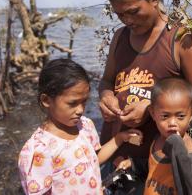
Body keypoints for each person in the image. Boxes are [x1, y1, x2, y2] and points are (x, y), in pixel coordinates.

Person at [99, 0, 192, 191]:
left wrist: (151, 107)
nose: (127, 20)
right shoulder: (120, 38)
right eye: (119, 14)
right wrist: (105, 96)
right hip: (112, 155)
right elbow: (107, 80)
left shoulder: (181, 40)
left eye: (133, 11)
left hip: (155, 166)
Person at [18, 59, 142, 195]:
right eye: (73, 103)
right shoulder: (40, 150)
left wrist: (120, 138)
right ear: (46, 100)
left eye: (84, 102)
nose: (80, 110)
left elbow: (94, 159)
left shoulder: (85, 126)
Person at [118, 78, 192, 195]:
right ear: (153, 113)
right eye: (165, 116)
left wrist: (178, 147)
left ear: (191, 115)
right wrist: (134, 164)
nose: (172, 122)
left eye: (180, 116)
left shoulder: (188, 148)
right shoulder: (158, 138)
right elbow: (155, 168)